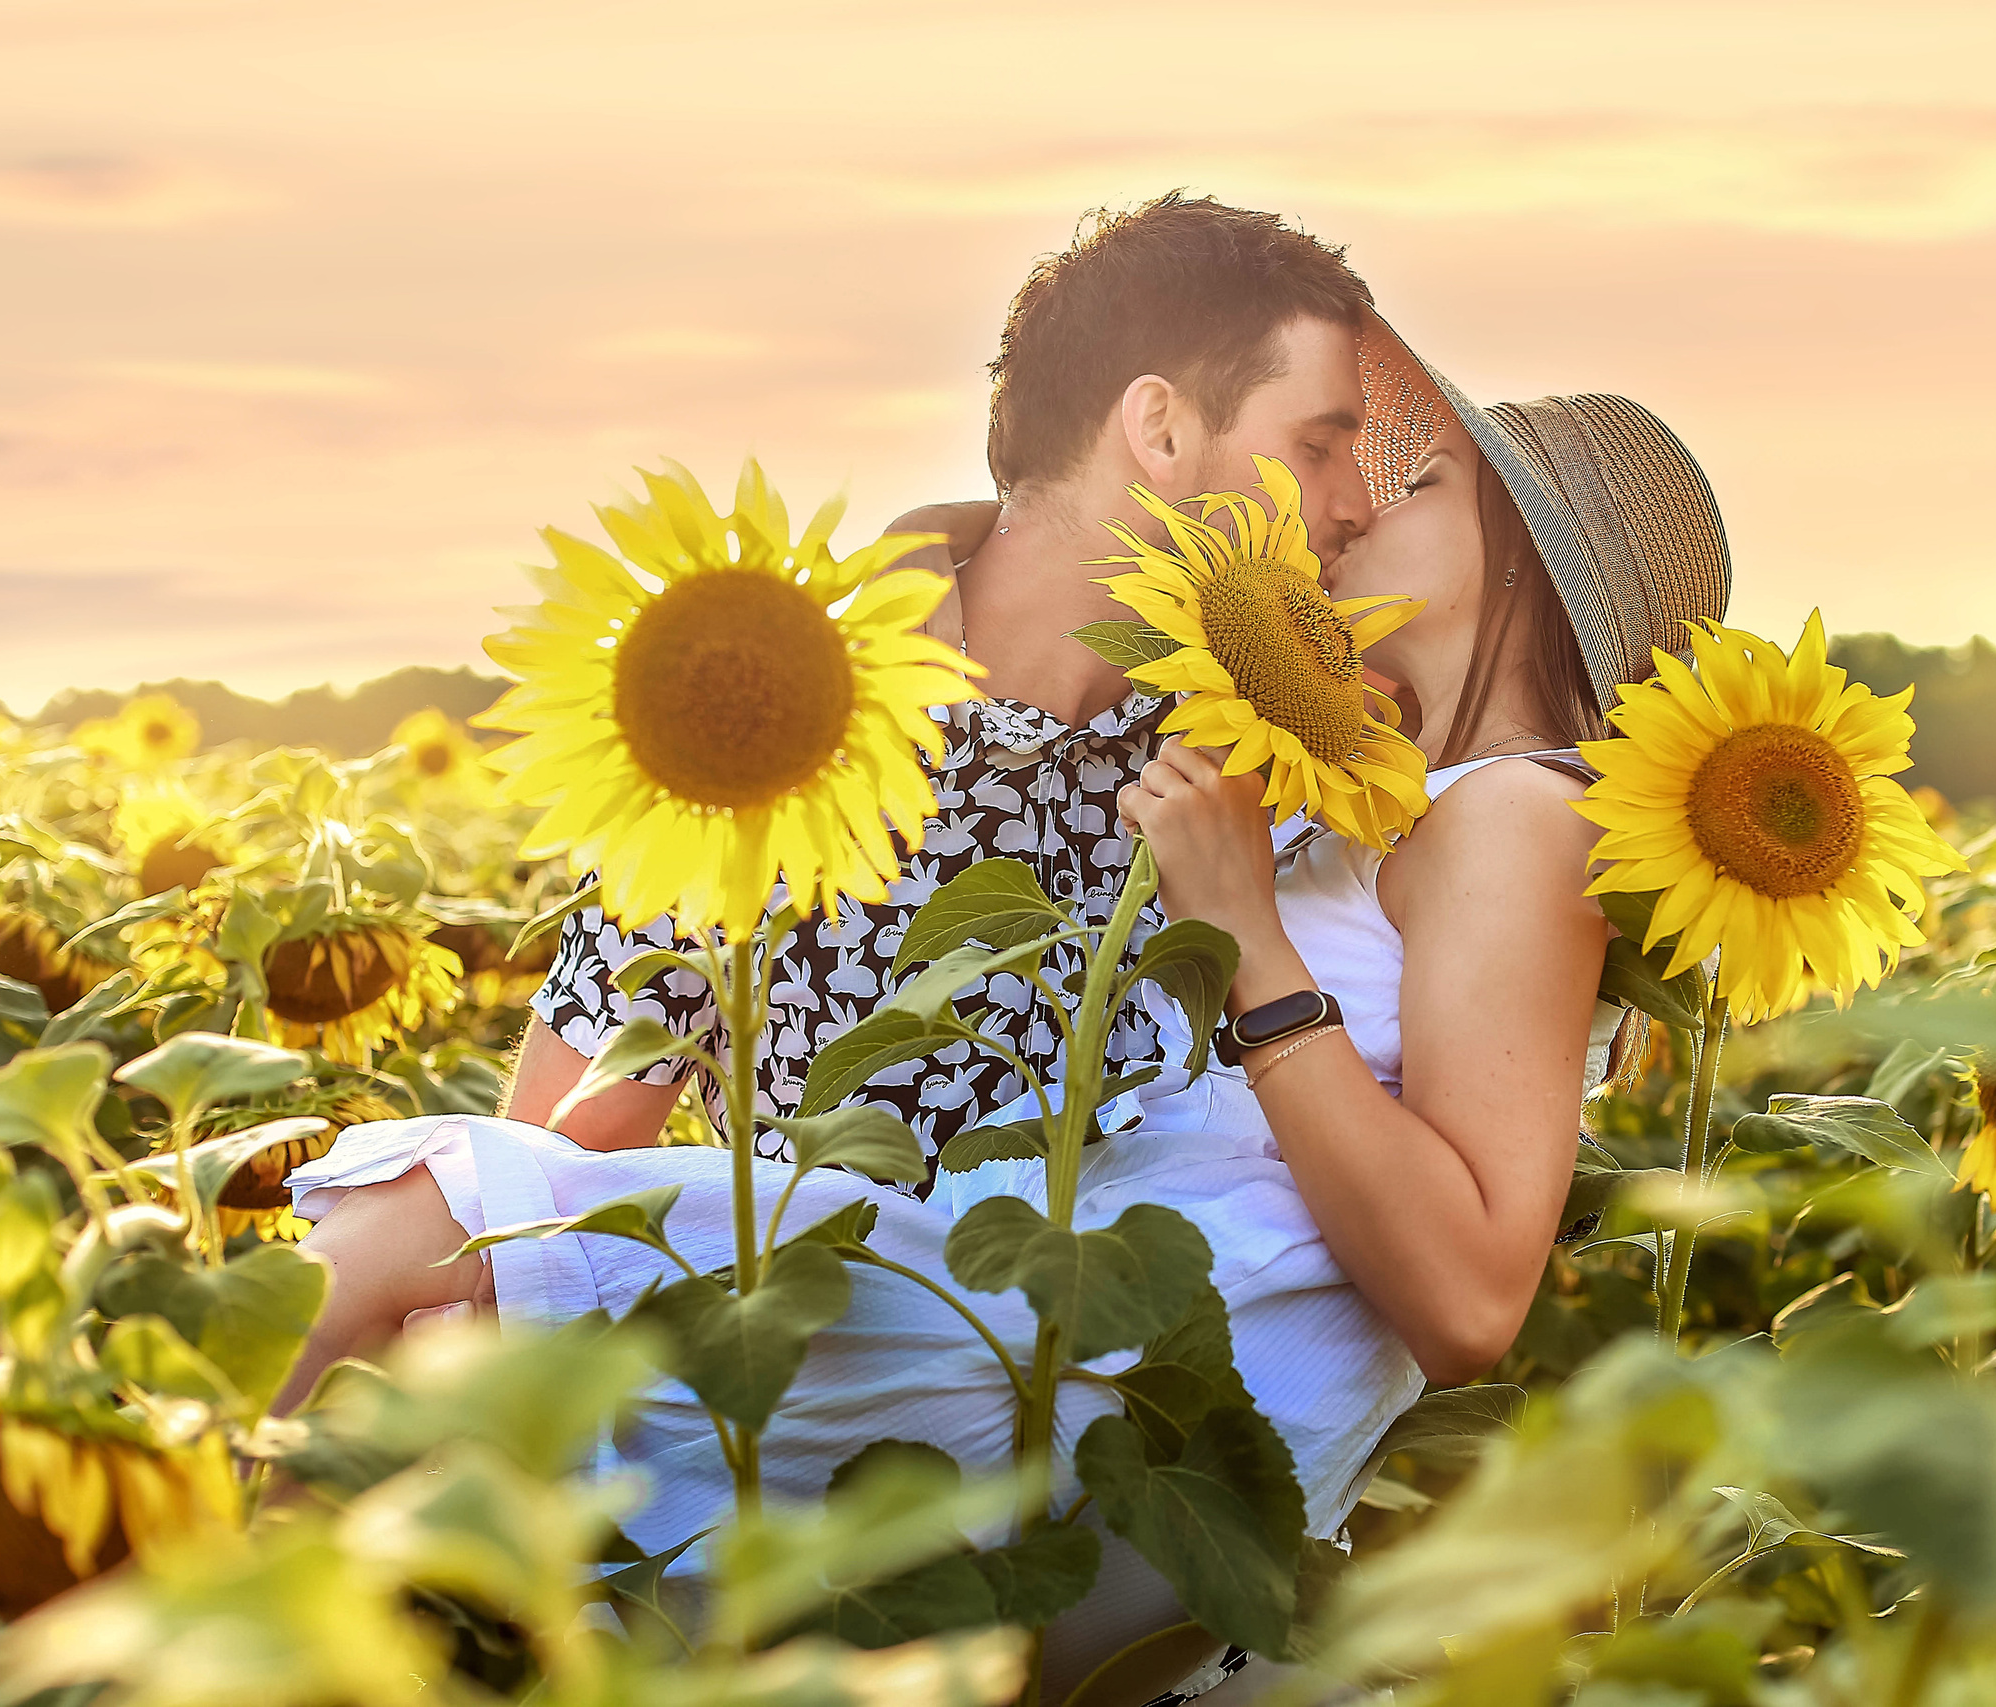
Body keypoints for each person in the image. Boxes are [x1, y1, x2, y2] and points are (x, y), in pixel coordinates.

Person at [281, 318, 1732, 1703]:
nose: (1350, 510)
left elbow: (1474, 1291)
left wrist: (1243, 936)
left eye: (1417, 483)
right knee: (454, 1335)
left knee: (424, 1225)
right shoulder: (1383, 797)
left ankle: (141, 1626)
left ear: (1526, 572)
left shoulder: (1517, 820)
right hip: (1073, 1337)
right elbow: (1039, 617)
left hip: (1123, 1372)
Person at [507, 191, 1378, 1167]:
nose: (1358, 504)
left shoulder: (1258, 758)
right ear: (1161, 431)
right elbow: (536, 1193)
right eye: (1316, 447)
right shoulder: (761, 725)